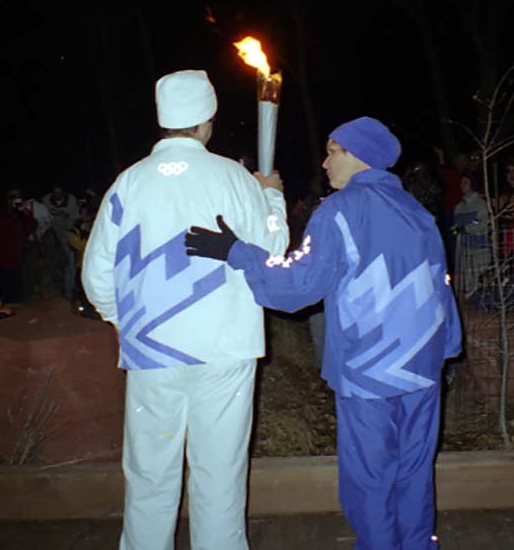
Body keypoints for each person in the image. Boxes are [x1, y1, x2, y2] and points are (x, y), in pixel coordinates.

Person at [186, 116, 461, 550]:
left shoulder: (338, 212)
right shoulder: (418, 212)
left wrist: (236, 251)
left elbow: (296, 287)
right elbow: (440, 285)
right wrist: (445, 349)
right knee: (412, 471)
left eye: (333, 151)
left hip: (371, 370)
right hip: (423, 367)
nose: (325, 161)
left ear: (357, 157)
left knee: (370, 479)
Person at [81, 70, 288, 550]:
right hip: (224, 346)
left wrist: (125, 321)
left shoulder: (127, 184)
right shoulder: (235, 179)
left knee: (151, 477)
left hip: (151, 352)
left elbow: (96, 276)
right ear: (207, 121)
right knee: (219, 476)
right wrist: (271, 194)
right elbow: (272, 250)